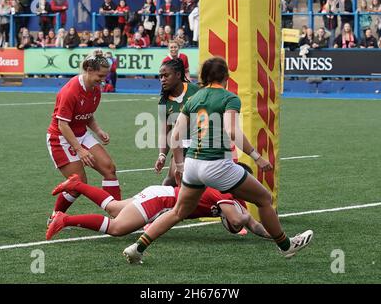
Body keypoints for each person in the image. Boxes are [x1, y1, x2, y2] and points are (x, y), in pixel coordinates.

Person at [124, 57, 313, 264]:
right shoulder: (229, 98)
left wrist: (178, 164)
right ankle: (286, 246)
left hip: (193, 164)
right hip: (216, 164)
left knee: (178, 211)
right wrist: (257, 157)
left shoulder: (193, 99)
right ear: (226, 76)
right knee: (264, 199)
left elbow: (175, 135)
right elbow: (233, 131)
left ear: (204, 76)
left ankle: (137, 248)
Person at [45, 163, 271, 241]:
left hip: (162, 194)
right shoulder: (226, 193)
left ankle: (77, 185)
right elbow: (236, 222)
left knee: (114, 207)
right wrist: (243, 216)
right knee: (117, 228)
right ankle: (65, 220)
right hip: (162, 200)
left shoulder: (233, 197)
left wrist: (276, 236)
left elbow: (253, 225)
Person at [46, 52, 122, 225]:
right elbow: (62, 125)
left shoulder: (95, 89)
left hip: (81, 134)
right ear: (88, 70)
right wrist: (79, 150)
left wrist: (98, 130)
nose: (103, 80)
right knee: (78, 183)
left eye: (105, 76)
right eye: (100, 76)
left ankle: (118, 215)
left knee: (109, 169)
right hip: (60, 138)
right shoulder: (70, 91)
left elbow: (88, 116)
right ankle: (55, 216)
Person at [155, 58, 200, 186]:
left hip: (202, 145)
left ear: (178, 75)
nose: (162, 79)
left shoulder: (196, 91)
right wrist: (162, 155)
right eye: (160, 76)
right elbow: (165, 132)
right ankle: (165, 205)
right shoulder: (164, 102)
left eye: (166, 75)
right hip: (181, 146)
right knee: (171, 180)